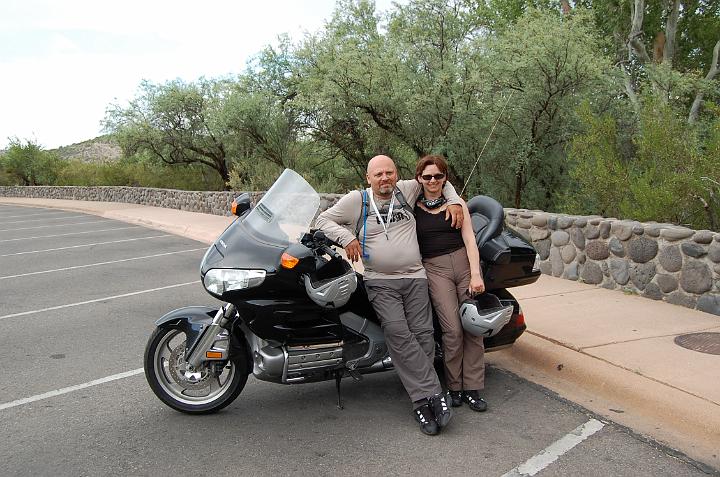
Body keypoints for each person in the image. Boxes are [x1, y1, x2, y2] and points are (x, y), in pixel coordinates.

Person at [315, 154, 463, 436]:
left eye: (389, 172)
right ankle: (431, 395)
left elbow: (440, 181)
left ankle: (422, 400)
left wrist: (454, 201)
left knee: (423, 335)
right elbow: (322, 220)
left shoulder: (407, 189)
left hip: (415, 277)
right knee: (398, 333)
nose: (385, 178)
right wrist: (347, 237)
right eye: (378, 174)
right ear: (368, 178)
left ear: (397, 174)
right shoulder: (357, 200)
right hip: (380, 281)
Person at [414, 154, 488, 412]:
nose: (433, 181)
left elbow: (470, 240)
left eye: (438, 176)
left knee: (472, 326)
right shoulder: (413, 205)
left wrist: (476, 274)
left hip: (463, 264)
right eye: (427, 176)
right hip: (435, 269)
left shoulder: (457, 203)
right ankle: (454, 386)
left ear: (445, 178)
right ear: (419, 178)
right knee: (452, 330)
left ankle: (473, 388)